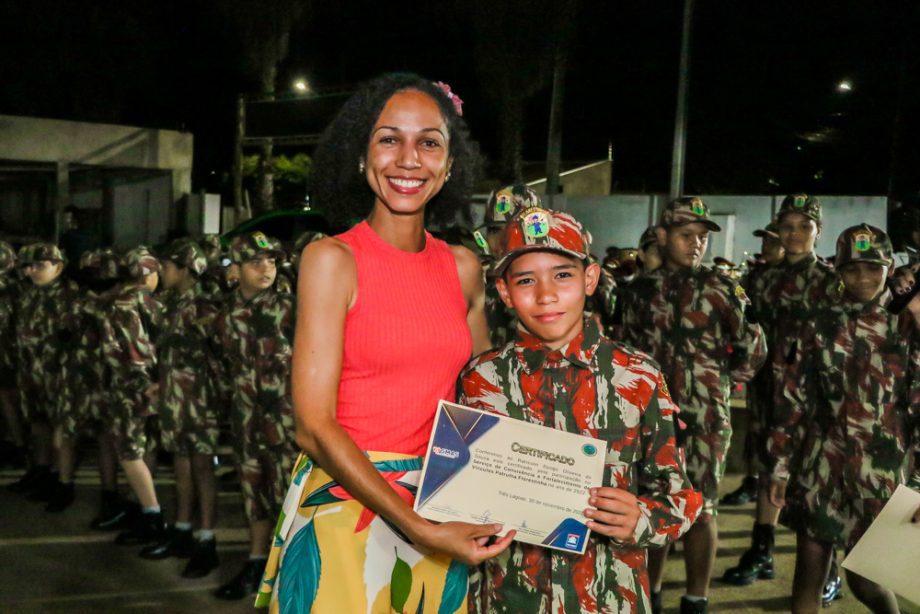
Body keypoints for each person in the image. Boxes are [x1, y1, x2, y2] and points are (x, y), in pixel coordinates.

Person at [256, 73, 513, 613]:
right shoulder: (331, 260)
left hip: (443, 506)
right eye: (389, 138)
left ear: (448, 166)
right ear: (361, 155)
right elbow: (312, 425)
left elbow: (482, 405)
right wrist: (417, 527)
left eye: (429, 142)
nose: (408, 159)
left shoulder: (464, 268)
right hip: (348, 511)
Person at [460, 207, 702, 613]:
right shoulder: (481, 380)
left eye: (562, 275)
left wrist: (641, 517)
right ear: (504, 292)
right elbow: (459, 494)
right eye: (525, 280)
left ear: (590, 279)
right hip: (509, 599)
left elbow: (680, 495)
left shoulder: (637, 376)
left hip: (610, 599)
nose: (546, 294)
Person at [617, 197, 767, 614]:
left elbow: (754, 348)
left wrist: (717, 384)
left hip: (704, 420)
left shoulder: (722, 288)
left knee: (701, 508)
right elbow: (624, 351)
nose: (696, 244)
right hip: (650, 420)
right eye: (686, 236)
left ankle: (695, 599)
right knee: (655, 506)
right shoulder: (638, 292)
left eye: (701, 237)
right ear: (662, 236)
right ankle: (654, 593)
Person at [768, 224, 920, 614]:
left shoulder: (907, 326)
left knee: (868, 580)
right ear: (837, 271)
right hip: (821, 466)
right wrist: (780, 467)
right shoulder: (818, 324)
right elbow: (792, 400)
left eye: (873, 267)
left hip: (883, 470)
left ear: (889, 265)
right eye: (852, 269)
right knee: (809, 571)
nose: (864, 278)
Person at [722, 195, 838, 598]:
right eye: (787, 227)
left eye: (803, 226)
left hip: (814, 396)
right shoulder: (761, 279)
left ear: (817, 232)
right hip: (768, 390)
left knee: (817, 476)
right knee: (770, 465)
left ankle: (831, 567)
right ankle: (762, 548)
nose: (794, 234)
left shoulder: (830, 282)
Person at [211, 232, 298, 600]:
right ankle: (256, 562)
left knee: (289, 499)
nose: (267, 269)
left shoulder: (293, 308)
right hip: (246, 422)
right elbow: (221, 367)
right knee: (254, 496)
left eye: (272, 262)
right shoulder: (225, 313)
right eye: (256, 262)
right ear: (237, 269)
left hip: (288, 424)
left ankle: (291, 576)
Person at [139, 239, 221, 578]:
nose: (163, 271)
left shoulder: (203, 306)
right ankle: (183, 529)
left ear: (185, 269)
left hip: (199, 401)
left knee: (202, 468)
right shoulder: (172, 303)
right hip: (176, 400)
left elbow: (218, 356)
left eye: (169, 266)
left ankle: (207, 541)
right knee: (182, 466)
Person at [101, 247, 167, 549]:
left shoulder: (122, 303)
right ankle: (145, 509)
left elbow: (132, 352)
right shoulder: (150, 303)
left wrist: (142, 384)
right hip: (146, 386)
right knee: (143, 447)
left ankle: (152, 516)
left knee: (130, 452)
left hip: (131, 388)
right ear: (150, 274)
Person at [8, 244, 79, 507]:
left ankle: (64, 482)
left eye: (38, 266)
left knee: (62, 430)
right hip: (31, 370)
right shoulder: (29, 294)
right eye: (27, 266)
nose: (31, 271)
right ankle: (41, 471)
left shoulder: (68, 295)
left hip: (60, 373)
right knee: (38, 425)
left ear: (58, 267)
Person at [721, 221, 785, 507]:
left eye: (772, 241)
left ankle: (775, 489)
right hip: (761, 366)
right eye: (764, 241)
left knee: (781, 432)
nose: (765, 247)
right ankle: (752, 480)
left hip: (789, 368)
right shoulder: (755, 277)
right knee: (757, 427)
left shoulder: (795, 278)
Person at [481, 184, 540, 349]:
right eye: (494, 230)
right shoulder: (474, 279)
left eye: (512, 228)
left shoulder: (560, 280)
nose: (501, 238)